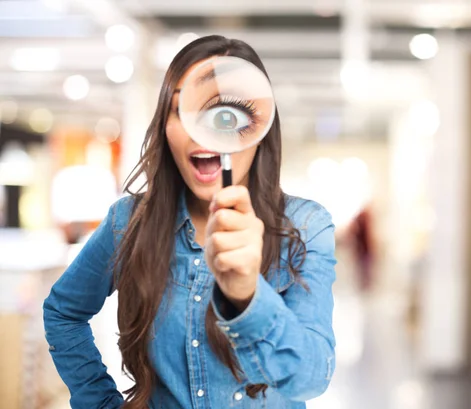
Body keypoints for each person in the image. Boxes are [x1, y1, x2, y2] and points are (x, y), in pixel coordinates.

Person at [43, 35, 337, 409]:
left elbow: (312, 378)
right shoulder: (128, 222)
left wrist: (247, 294)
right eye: (183, 109)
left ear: (260, 130)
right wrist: (100, 402)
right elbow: (63, 312)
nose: (206, 129)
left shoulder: (306, 226)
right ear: (164, 127)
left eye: (227, 114)